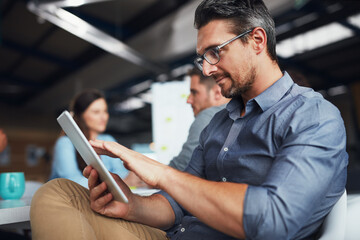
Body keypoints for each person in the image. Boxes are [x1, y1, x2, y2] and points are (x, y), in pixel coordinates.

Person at [31, 1, 348, 239]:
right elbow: (174, 205)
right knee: (58, 193)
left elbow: (276, 219)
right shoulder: (218, 124)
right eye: (203, 57)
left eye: (215, 52)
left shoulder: (313, 116)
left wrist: (164, 174)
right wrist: (130, 205)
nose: (207, 70)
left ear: (257, 41)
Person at [49, 89, 129, 188]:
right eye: (96, 112)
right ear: (81, 115)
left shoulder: (108, 139)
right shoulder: (65, 143)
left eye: (105, 111)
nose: (103, 117)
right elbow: (71, 180)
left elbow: (122, 173)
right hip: (66, 200)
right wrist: (115, 184)